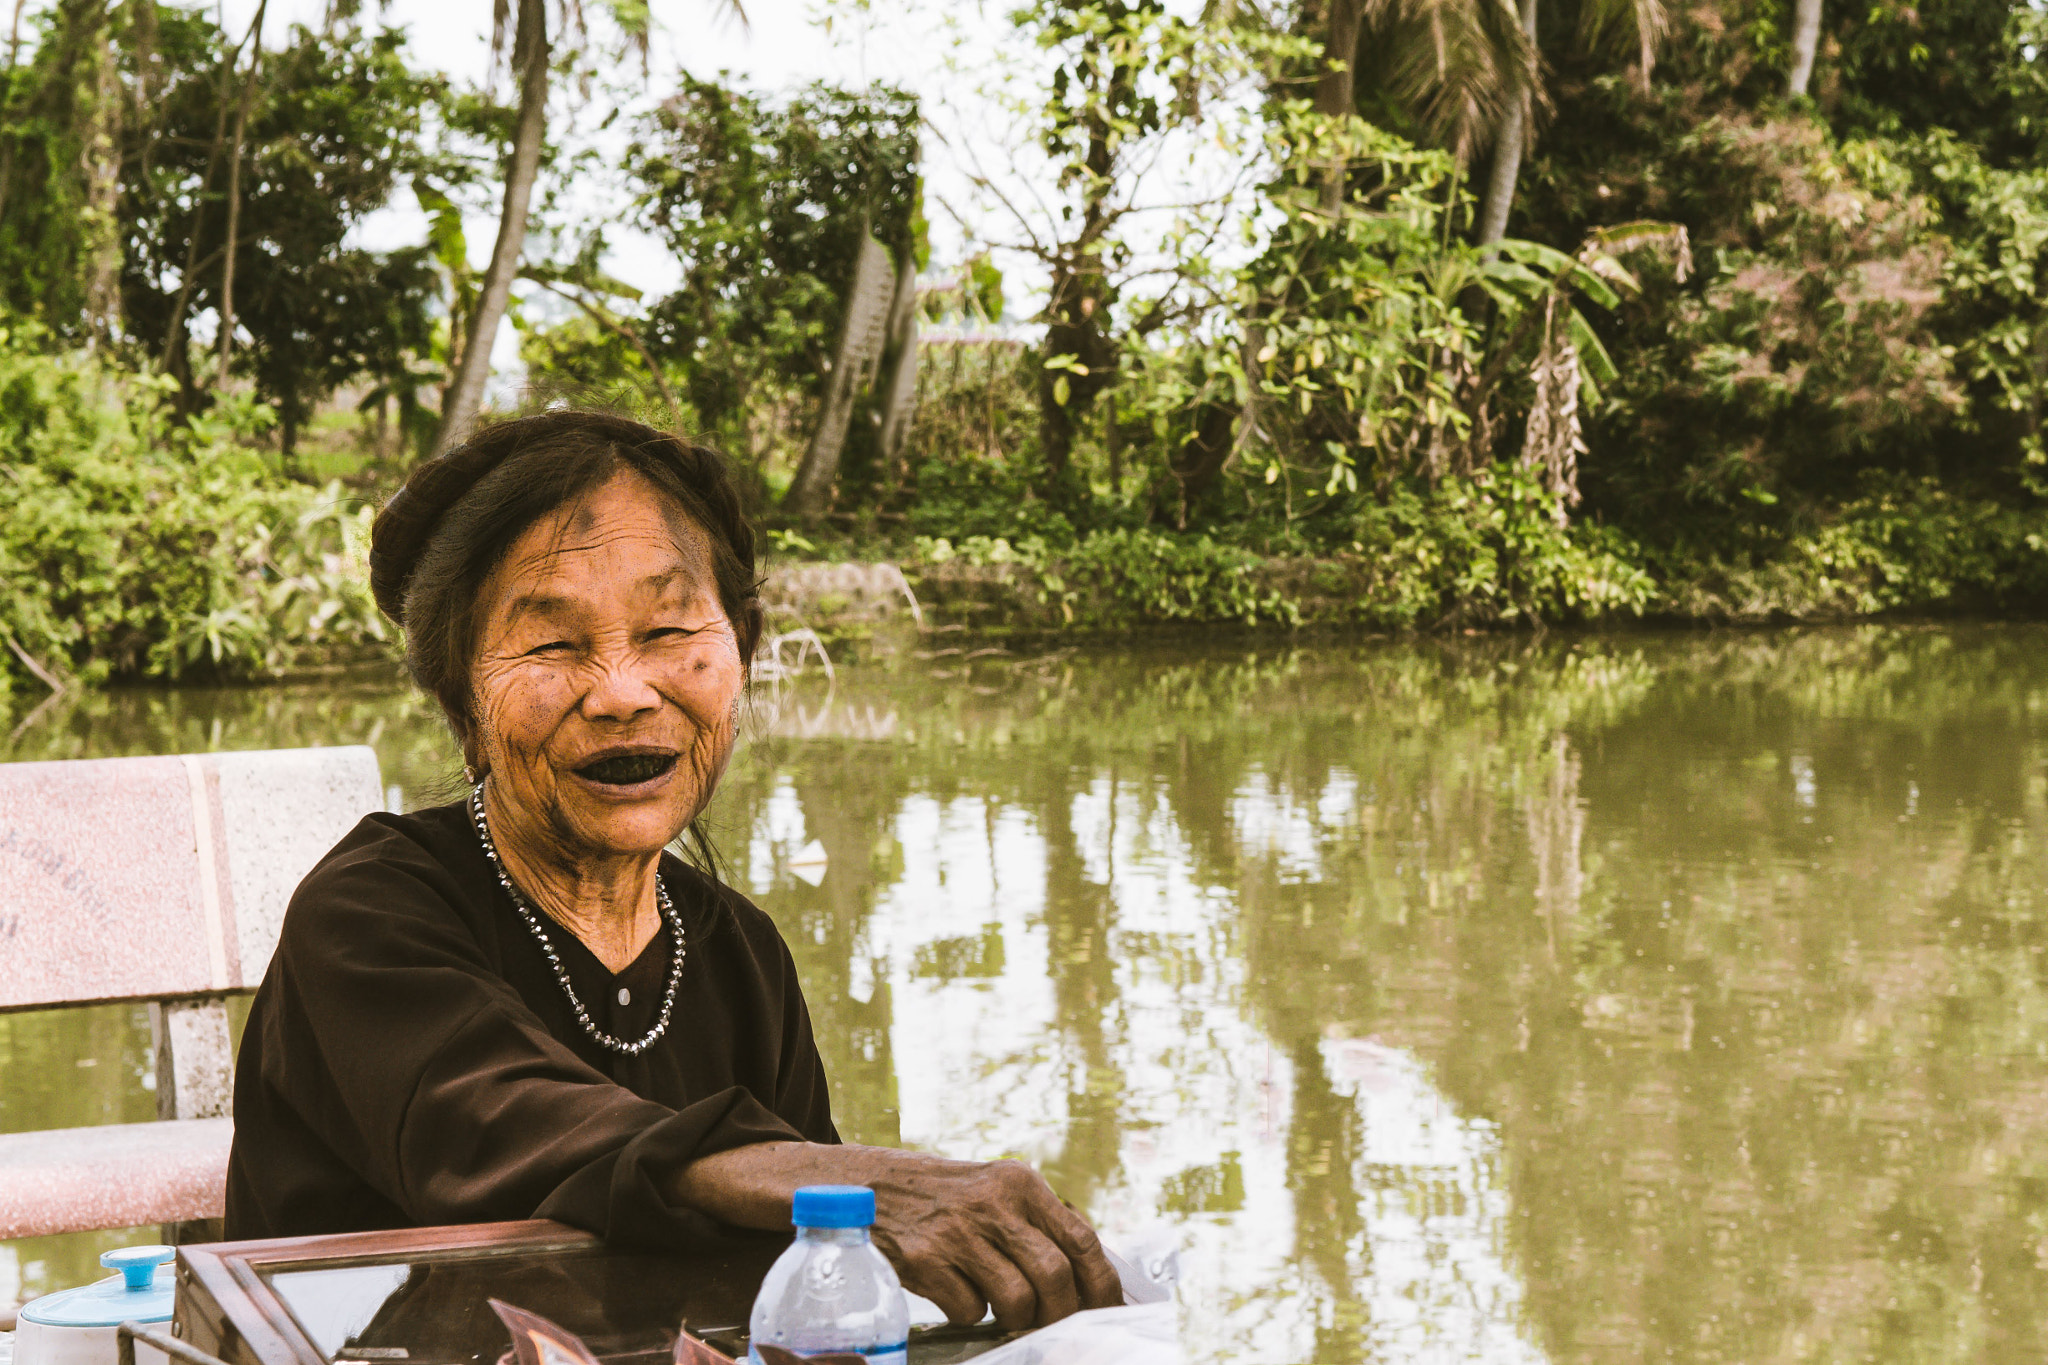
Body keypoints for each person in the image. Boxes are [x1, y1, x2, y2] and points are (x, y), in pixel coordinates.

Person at [224, 411, 1120, 1331]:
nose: (620, 692)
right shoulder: (369, 909)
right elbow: (494, 1118)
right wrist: (860, 1184)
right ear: (463, 704)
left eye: (666, 630)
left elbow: (801, 1280)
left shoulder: (741, 954)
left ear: (738, 656)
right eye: (553, 643)